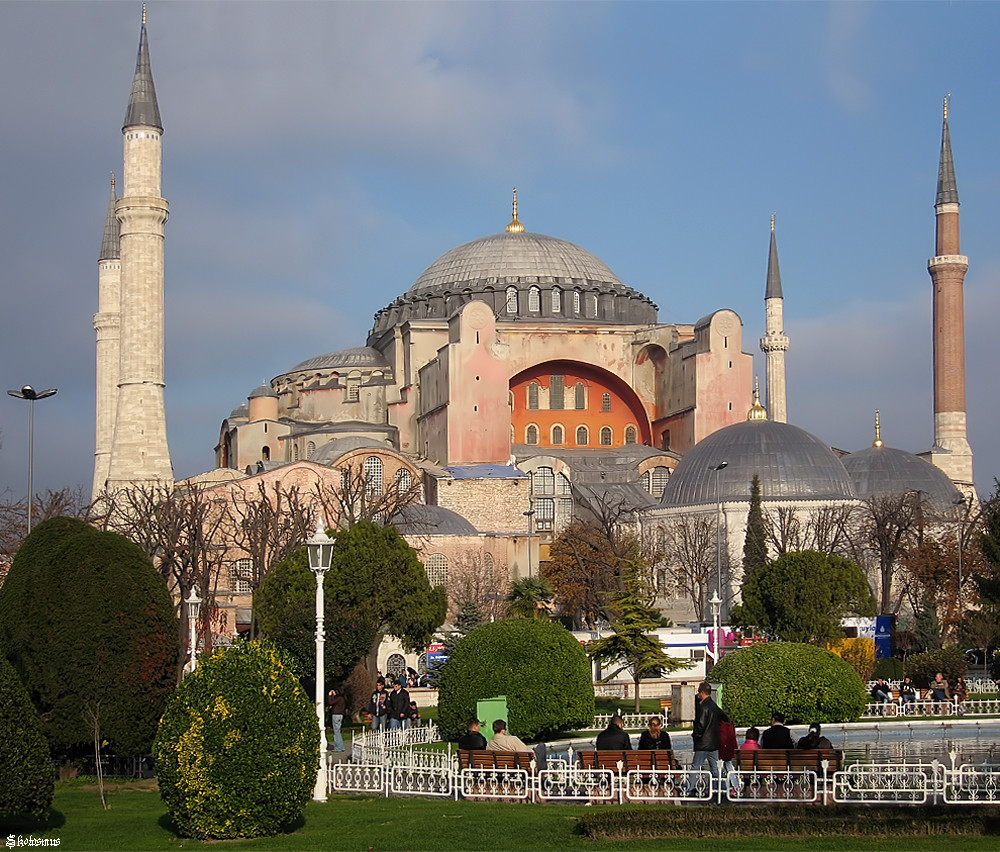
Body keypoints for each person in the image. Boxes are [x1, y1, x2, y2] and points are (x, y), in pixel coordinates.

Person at [689, 681, 722, 793]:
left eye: (699, 692)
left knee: (695, 766)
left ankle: (690, 789)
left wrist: (695, 735)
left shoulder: (703, 707)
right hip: (713, 742)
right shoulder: (714, 706)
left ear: (702, 692)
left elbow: (701, 724)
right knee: (715, 768)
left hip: (703, 743)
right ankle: (720, 789)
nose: (698, 695)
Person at [327, 686, 347, 752]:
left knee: (336, 732)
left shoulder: (339, 698)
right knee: (338, 731)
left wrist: (330, 696)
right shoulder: (342, 698)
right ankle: (341, 746)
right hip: (340, 715)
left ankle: (339, 747)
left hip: (336, 715)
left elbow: (330, 702)